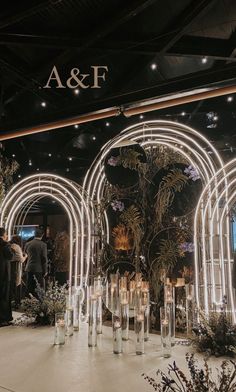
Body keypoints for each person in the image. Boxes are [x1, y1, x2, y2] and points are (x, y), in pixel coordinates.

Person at [25, 227, 48, 297]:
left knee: (29, 288)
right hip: (38, 269)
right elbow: (44, 259)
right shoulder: (43, 245)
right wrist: (45, 270)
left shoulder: (28, 244)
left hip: (29, 268)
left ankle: (28, 304)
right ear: (42, 235)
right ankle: (38, 305)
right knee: (39, 289)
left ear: (34, 234)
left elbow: (25, 254)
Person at [0, 227, 14, 326]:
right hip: (3, 274)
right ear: (4, 235)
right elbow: (10, 256)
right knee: (4, 296)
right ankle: (3, 319)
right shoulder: (5, 244)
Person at [10, 235, 27, 308]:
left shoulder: (9, 245)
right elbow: (21, 260)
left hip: (9, 267)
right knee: (17, 284)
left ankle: (10, 301)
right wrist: (25, 256)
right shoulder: (17, 247)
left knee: (11, 285)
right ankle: (17, 302)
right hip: (16, 267)